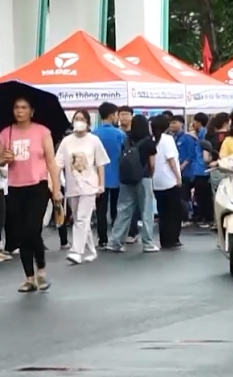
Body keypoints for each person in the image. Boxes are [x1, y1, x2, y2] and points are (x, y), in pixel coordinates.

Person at [0, 97, 61, 293]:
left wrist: (56, 189)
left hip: (38, 186)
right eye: (16, 107)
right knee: (21, 234)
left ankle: (41, 271)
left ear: (32, 111)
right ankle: (29, 278)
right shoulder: (6, 132)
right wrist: (3, 158)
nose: (19, 111)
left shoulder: (42, 132)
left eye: (24, 107)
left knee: (33, 230)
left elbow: (51, 162)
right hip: (15, 187)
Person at [56, 109, 109, 264]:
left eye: (82, 119)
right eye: (76, 118)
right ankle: (91, 251)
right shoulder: (66, 142)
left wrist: (101, 184)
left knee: (82, 218)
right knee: (80, 219)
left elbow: (100, 164)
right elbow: (58, 163)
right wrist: (54, 182)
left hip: (89, 185)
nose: (78, 121)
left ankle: (76, 251)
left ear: (88, 123)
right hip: (72, 186)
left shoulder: (94, 140)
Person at [106, 115, 158, 252]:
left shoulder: (127, 139)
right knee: (146, 210)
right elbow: (152, 164)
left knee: (123, 210)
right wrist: (150, 175)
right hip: (144, 178)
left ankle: (115, 242)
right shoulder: (149, 142)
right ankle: (148, 243)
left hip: (126, 179)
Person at [92, 103, 124, 248]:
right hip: (117, 176)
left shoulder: (93, 134)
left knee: (101, 210)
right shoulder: (120, 134)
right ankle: (116, 237)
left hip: (99, 177)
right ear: (112, 115)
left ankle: (102, 239)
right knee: (116, 209)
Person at [152, 115, 183, 248]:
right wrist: (178, 177)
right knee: (174, 212)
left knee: (163, 213)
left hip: (156, 181)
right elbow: (171, 160)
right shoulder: (167, 139)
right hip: (169, 180)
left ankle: (164, 239)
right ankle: (173, 239)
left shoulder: (152, 139)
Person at [170, 115, 198, 225]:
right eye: (171, 123)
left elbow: (190, 155)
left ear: (181, 124)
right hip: (176, 171)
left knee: (184, 196)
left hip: (186, 172)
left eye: (175, 123)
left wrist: (181, 167)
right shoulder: (173, 138)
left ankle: (186, 217)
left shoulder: (187, 138)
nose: (172, 125)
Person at [188, 112, 212, 225]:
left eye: (194, 121)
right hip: (198, 168)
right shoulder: (199, 134)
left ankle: (206, 217)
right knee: (199, 194)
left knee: (203, 195)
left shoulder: (204, 133)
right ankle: (201, 215)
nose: (193, 123)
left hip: (202, 169)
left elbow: (205, 151)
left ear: (199, 122)